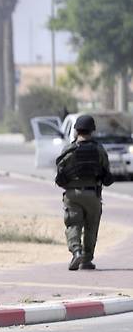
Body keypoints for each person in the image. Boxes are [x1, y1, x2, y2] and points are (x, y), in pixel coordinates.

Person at [55, 114, 113, 271]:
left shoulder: (68, 150)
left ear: (76, 131)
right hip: (92, 194)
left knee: (73, 224)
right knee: (91, 227)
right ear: (92, 131)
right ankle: (86, 260)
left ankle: (76, 251)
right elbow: (107, 173)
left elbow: (60, 174)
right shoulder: (99, 150)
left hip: (72, 194)